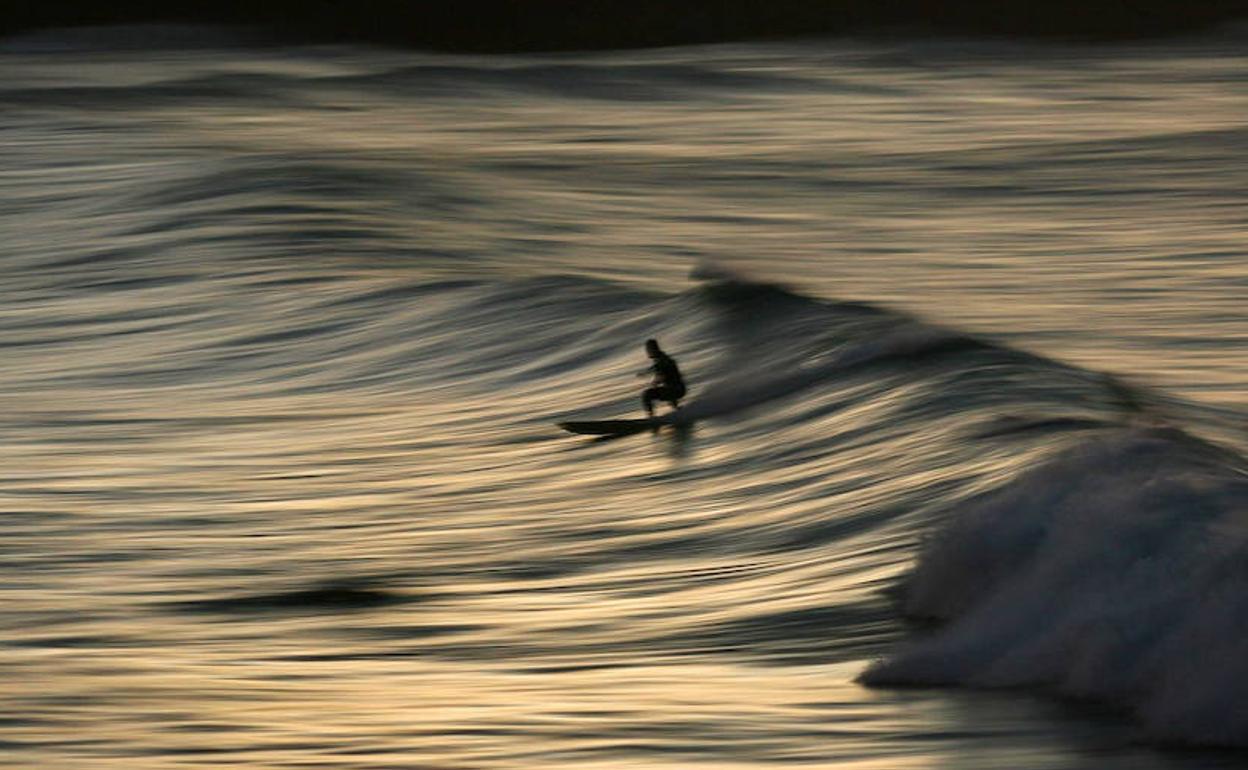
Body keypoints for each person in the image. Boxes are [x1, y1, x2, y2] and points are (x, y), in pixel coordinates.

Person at [638, 339, 686, 418]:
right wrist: (645, 373)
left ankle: (651, 418)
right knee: (666, 388)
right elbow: (656, 368)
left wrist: (655, 383)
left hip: (676, 390)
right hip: (678, 389)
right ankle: (678, 411)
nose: (647, 352)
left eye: (648, 349)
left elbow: (662, 375)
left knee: (647, 394)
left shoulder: (662, 360)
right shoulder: (661, 358)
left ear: (653, 349)